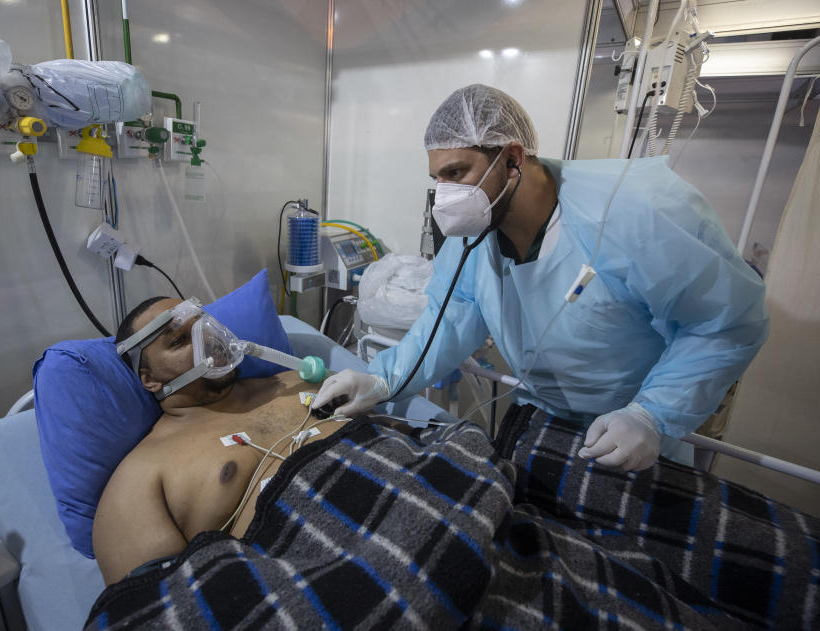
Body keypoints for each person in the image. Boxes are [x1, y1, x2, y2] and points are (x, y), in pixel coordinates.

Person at [313, 84, 769, 472]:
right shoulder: (474, 239)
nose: (447, 197)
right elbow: (449, 320)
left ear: (512, 158)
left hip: (631, 436)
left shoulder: (634, 212)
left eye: (457, 173)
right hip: (542, 423)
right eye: (439, 179)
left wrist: (652, 415)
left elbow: (722, 324)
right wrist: (381, 380)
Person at [93, 297, 383, 585]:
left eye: (204, 325)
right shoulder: (142, 474)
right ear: (150, 380)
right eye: (180, 340)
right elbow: (152, 606)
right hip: (331, 571)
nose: (208, 340)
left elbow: (396, 432)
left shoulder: (299, 379)